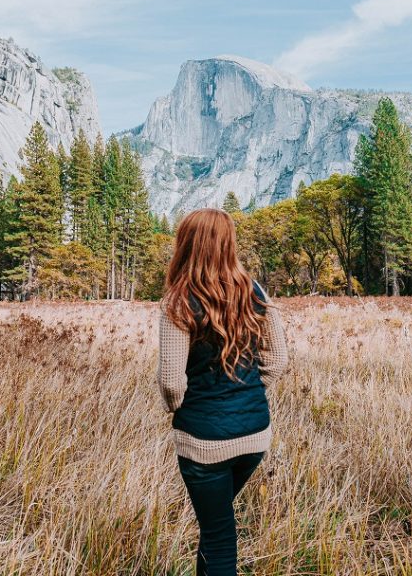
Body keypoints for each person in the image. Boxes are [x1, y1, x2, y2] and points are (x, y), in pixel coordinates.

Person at [157, 208, 289, 575]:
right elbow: (277, 359)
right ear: (228, 243)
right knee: (215, 525)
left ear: (186, 244)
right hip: (254, 437)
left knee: (218, 536)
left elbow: (171, 381)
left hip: (204, 442)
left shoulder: (178, 301)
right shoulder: (254, 291)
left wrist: (180, 407)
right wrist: (244, 391)